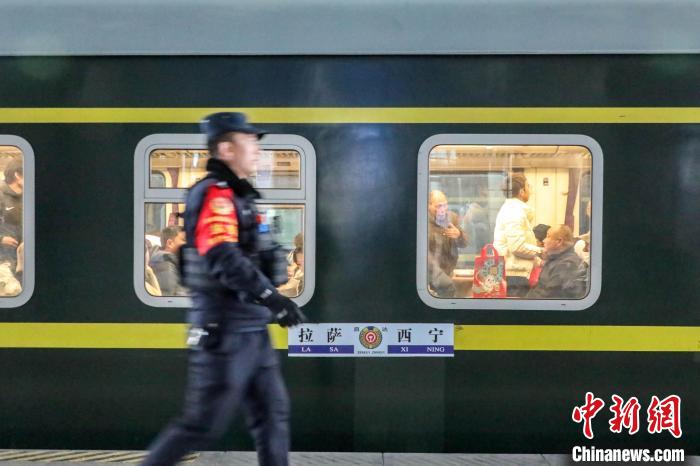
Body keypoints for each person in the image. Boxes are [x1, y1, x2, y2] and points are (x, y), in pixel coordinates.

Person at [142, 112, 305, 466]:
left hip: (253, 330)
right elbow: (221, 255)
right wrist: (271, 297)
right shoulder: (213, 195)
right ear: (227, 149)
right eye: (249, 140)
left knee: (272, 416)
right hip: (224, 331)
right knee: (202, 424)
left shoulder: (239, 196)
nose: (257, 148)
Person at [493, 172, 543, 297]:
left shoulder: (513, 210)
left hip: (515, 273)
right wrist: (542, 251)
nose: (530, 190)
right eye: (528, 186)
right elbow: (517, 247)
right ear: (521, 191)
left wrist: (538, 261)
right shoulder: (514, 212)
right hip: (514, 276)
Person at [527, 224, 589, 299]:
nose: (544, 240)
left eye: (548, 236)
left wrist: (525, 302)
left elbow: (551, 296)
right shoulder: (555, 260)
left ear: (559, 241)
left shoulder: (567, 265)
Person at [427, 190, 468, 297]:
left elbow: (464, 244)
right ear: (429, 206)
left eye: (445, 205)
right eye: (438, 206)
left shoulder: (452, 218)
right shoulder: (422, 222)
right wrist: (441, 278)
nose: (443, 209)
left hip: (448, 271)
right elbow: (425, 257)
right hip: (430, 275)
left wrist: (459, 235)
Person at [149, 225, 187, 296]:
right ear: (170, 243)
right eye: (184, 240)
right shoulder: (165, 265)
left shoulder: (169, 262)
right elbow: (168, 298)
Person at [0, 159, 23, 274]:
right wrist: (1, 239)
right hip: (4, 261)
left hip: (23, 257)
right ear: (17, 175)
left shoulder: (27, 195)